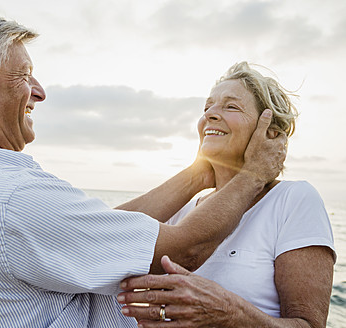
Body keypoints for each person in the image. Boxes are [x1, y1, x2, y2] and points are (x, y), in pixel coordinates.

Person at [0, 12, 286, 328]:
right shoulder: (13, 199)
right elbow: (185, 249)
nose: (39, 92)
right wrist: (254, 173)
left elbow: (102, 232)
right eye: (23, 75)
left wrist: (199, 176)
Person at [117, 62, 336, 328]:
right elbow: (103, 238)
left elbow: (310, 324)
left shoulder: (294, 199)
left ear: (270, 133)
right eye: (207, 107)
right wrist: (196, 176)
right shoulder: (184, 210)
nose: (210, 114)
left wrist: (231, 314)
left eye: (231, 106)